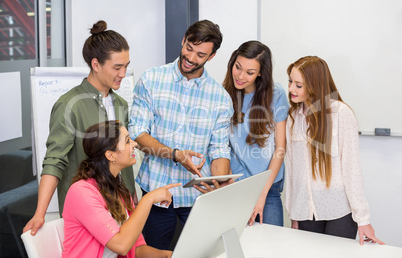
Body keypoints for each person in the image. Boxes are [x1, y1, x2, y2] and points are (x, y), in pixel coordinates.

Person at [128, 19, 233, 249]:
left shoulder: (220, 97)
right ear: (183, 40)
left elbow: (219, 149)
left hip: (199, 198)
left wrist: (220, 183)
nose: (191, 58)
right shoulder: (151, 80)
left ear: (211, 57)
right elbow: (137, 132)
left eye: (201, 55)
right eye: (189, 48)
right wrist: (175, 155)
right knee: (153, 254)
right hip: (156, 192)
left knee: (204, 254)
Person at [23, 20, 135, 235]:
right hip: (88, 212)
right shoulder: (68, 105)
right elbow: (54, 161)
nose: (123, 73)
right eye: (117, 67)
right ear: (95, 64)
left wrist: (132, 198)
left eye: (126, 66)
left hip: (121, 206)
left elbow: (122, 157)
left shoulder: (121, 104)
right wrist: (40, 213)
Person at [284, 56, 384, 245]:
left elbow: (351, 168)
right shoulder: (293, 118)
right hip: (305, 211)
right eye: (290, 81)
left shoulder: (341, 114)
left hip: (339, 210)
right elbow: (292, 169)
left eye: (299, 85)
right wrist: (293, 212)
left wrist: (363, 220)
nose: (291, 89)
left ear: (315, 85)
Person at [62, 121, 179, 257]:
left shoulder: (120, 192)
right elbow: (121, 245)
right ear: (111, 155)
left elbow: (137, 249)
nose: (135, 144)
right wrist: (148, 199)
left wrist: (170, 255)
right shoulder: (81, 192)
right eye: (128, 141)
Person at [221, 41, 288, 226]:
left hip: (268, 187)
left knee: (271, 248)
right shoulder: (224, 94)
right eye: (238, 67)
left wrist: (262, 194)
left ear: (260, 73)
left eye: (250, 73)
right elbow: (222, 146)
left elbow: (280, 148)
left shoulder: (277, 94)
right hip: (237, 185)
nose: (241, 76)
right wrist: (232, 184)